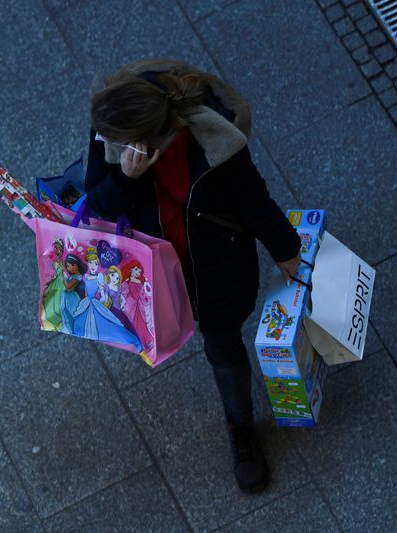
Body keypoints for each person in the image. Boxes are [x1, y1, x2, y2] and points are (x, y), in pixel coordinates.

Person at [84, 59, 301, 493]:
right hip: (155, 275)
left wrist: (288, 252)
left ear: (151, 137)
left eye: (119, 141)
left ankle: (241, 427)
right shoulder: (113, 134)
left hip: (218, 271)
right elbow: (97, 208)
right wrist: (126, 179)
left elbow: (254, 201)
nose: (108, 144)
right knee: (170, 332)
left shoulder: (214, 144)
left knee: (224, 347)